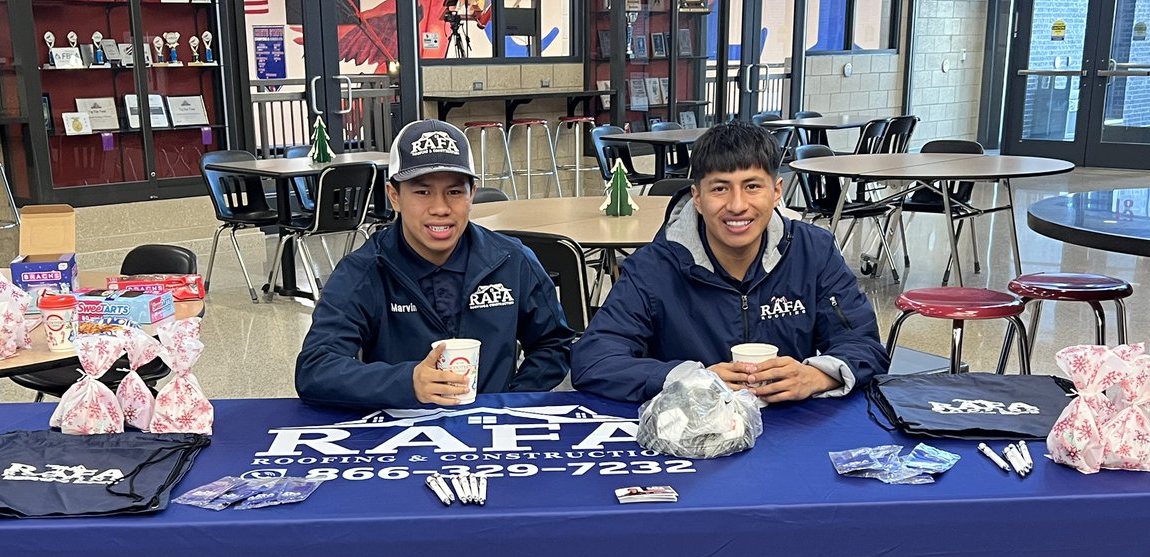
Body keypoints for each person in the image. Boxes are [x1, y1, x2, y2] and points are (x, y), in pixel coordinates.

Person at [570, 121, 889, 405]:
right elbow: (594, 360)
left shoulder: (813, 252)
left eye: (752, 186)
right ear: (697, 196)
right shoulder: (653, 267)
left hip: (792, 430)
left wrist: (818, 375)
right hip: (690, 442)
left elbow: (864, 345)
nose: (738, 205)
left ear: (776, 191)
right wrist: (690, 379)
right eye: (720, 188)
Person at [295, 119, 574, 410]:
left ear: (472, 195)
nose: (440, 208)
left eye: (454, 192)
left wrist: (510, 402)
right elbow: (315, 368)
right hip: (399, 433)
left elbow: (553, 343)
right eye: (422, 192)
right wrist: (406, 382)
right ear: (395, 197)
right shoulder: (365, 271)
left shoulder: (511, 261)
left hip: (493, 434)